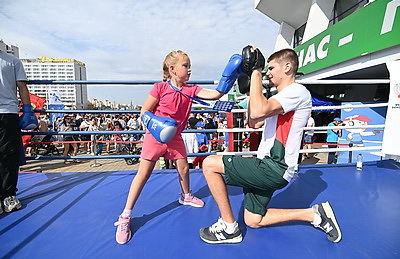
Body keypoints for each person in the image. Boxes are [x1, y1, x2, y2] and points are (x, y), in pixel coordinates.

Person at [199, 47, 342, 244]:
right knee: (253, 219)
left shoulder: (297, 91)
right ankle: (315, 214)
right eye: (266, 69)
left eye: (271, 68)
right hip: (268, 165)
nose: (268, 72)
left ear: (288, 67)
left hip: (275, 166)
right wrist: (251, 90)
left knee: (209, 164)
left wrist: (255, 71)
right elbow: (254, 122)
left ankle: (229, 227)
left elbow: (258, 112)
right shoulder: (280, 98)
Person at [114, 49, 242, 244]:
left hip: (175, 136)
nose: (190, 69)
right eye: (186, 65)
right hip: (155, 136)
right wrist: (157, 125)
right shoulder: (159, 88)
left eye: (190, 66)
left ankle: (186, 195)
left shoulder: (191, 90)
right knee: (143, 174)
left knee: (183, 168)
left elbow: (216, 94)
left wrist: (231, 75)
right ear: (173, 69)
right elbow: (144, 111)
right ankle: (125, 215)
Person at [0, 50, 38, 214]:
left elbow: (22, 87)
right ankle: (8, 195)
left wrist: (28, 110)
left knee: (9, 154)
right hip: (8, 113)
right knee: (8, 154)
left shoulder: (12, 60)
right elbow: (22, 87)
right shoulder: (12, 60)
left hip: (8, 112)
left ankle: (8, 195)